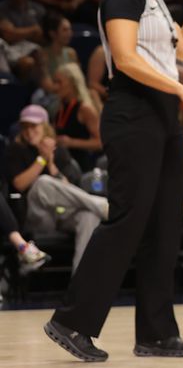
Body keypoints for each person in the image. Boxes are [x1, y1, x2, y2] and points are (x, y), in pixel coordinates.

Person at [44, 0, 183, 362]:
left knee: (164, 227)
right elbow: (126, 58)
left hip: (162, 117)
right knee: (128, 220)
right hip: (132, 112)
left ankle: (156, 333)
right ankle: (71, 320)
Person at [6, 103, 107, 270]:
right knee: (42, 183)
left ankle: (80, 283)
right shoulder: (16, 150)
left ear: (45, 127)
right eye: (25, 127)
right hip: (36, 215)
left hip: (61, 213)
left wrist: (51, 163)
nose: (29, 132)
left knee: (88, 215)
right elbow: (19, 184)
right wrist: (42, 160)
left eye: (34, 127)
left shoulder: (59, 151)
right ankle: (99, 204)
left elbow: (68, 187)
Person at [50, 62, 103, 171]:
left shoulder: (84, 109)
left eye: (59, 82)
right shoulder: (59, 108)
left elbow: (100, 142)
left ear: (72, 83)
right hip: (61, 163)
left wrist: (71, 142)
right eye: (54, 82)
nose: (54, 87)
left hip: (81, 166)